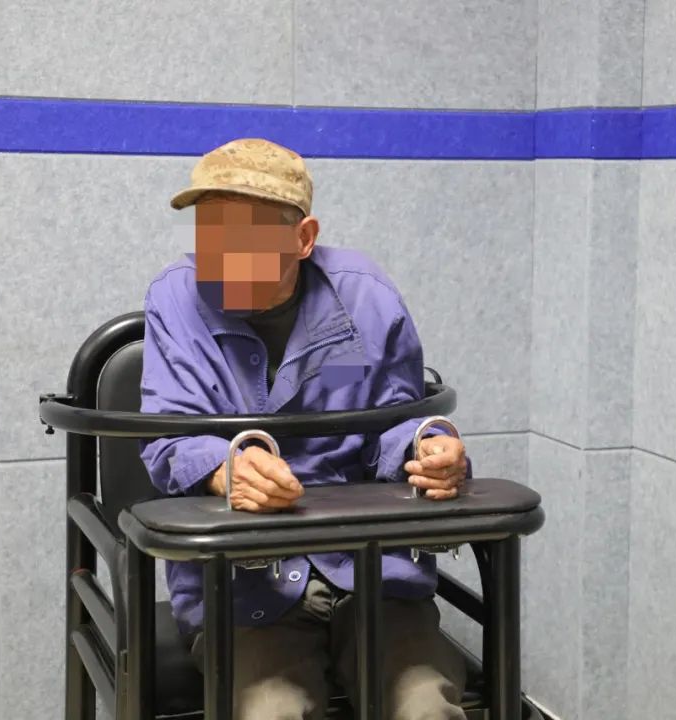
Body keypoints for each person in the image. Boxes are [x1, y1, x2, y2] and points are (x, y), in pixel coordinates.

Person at [139, 137, 472, 720]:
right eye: (209, 233)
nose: (220, 256)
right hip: (243, 586)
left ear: (303, 238)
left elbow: (394, 421)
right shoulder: (175, 299)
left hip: (372, 572)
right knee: (271, 713)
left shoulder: (366, 299)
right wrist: (223, 470)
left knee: (425, 708)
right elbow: (169, 437)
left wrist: (428, 448)